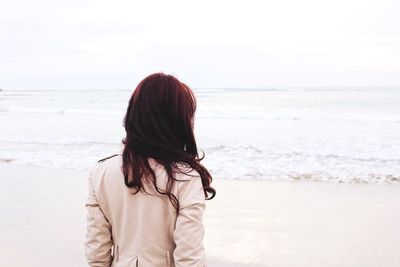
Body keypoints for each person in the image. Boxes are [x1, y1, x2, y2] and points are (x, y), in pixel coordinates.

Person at [84, 73, 216, 267]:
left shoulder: (101, 172)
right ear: (179, 120)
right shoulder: (186, 177)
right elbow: (189, 258)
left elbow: (97, 254)